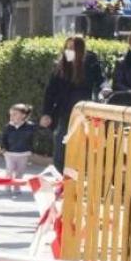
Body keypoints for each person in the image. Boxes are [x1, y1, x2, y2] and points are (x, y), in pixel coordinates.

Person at [41, 36, 103, 173]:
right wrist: (46, 113)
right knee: (60, 148)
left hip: (84, 114)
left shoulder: (90, 64)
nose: (69, 51)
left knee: (82, 148)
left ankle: (78, 179)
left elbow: (100, 82)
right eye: (67, 48)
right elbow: (50, 91)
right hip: (64, 113)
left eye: (72, 48)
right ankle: (61, 179)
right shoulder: (61, 66)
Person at [1, 104, 37, 195]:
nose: (12, 116)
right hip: (10, 153)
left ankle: (17, 187)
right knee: (9, 170)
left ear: (23, 115)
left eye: (15, 114)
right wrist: (3, 148)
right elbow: (3, 138)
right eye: (11, 114)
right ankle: (7, 186)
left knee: (20, 172)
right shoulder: (8, 127)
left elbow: (34, 138)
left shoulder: (30, 127)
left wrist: (32, 149)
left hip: (24, 153)